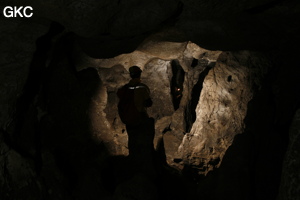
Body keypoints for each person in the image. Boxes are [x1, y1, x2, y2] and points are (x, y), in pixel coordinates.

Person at [117, 66, 155, 175]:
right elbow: (148, 103)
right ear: (139, 74)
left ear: (130, 75)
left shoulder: (125, 87)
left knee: (132, 139)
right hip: (140, 116)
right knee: (144, 142)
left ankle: (133, 161)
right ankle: (145, 168)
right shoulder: (142, 87)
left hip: (129, 118)